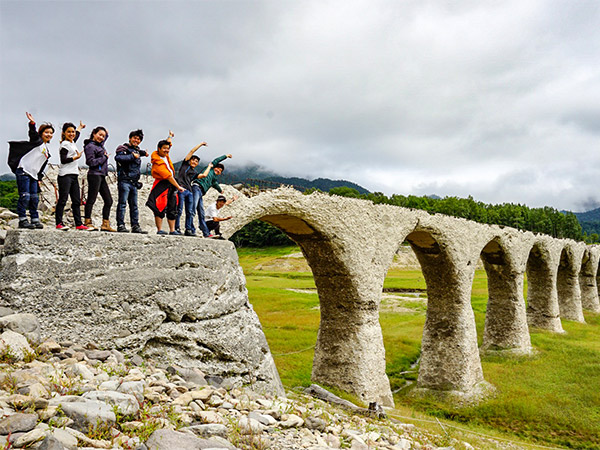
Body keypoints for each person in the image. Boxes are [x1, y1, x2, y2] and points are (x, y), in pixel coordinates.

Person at [7, 112, 53, 229]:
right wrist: (32, 123)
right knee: (25, 196)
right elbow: (32, 133)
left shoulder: (46, 150)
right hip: (23, 171)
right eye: (46, 132)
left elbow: (41, 166)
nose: (49, 135)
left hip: (33, 175)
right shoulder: (36, 142)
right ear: (41, 133)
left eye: (51, 133)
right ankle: (22, 220)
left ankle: (34, 219)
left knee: (34, 198)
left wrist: (39, 178)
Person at [145, 131, 185, 235]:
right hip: (162, 184)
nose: (167, 150)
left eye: (168, 149)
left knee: (172, 206)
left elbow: (168, 143)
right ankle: (159, 229)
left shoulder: (165, 156)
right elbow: (168, 176)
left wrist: (170, 136)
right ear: (159, 149)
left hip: (170, 184)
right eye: (164, 148)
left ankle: (172, 230)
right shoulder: (157, 162)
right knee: (159, 206)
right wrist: (178, 187)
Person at [55, 121, 88, 230]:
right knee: (63, 199)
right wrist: (75, 158)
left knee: (76, 201)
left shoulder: (72, 143)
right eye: (69, 132)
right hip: (65, 175)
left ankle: (79, 224)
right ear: (64, 133)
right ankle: (59, 223)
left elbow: (76, 135)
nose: (72, 134)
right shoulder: (64, 144)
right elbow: (63, 160)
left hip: (74, 175)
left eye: (72, 132)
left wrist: (79, 127)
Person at [114, 129, 148, 233]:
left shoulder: (137, 150)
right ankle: (120, 225)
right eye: (135, 138)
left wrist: (144, 153)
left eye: (138, 139)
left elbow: (138, 153)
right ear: (130, 138)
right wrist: (132, 156)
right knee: (122, 203)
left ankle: (135, 226)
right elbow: (118, 158)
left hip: (134, 182)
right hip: (124, 180)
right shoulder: (123, 148)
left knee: (134, 206)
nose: (136, 140)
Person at [191, 153, 232, 237]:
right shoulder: (209, 169)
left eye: (220, 171)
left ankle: (206, 233)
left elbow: (215, 184)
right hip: (197, 187)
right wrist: (226, 156)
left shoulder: (214, 178)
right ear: (214, 167)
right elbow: (216, 160)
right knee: (193, 209)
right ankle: (190, 229)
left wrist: (220, 190)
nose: (219, 171)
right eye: (218, 169)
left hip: (201, 192)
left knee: (201, 213)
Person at [83, 126, 115, 232]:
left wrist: (107, 134)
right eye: (100, 135)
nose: (101, 137)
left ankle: (105, 224)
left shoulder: (99, 145)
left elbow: (102, 141)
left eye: (103, 136)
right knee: (91, 199)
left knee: (108, 200)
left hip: (101, 175)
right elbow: (90, 162)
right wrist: (104, 158)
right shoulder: (90, 146)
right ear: (94, 134)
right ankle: (87, 222)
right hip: (94, 175)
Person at [175, 141, 208, 236]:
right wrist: (201, 144)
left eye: (196, 161)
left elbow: (204, 175)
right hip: (181, 189)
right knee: (179, 210)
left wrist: (209, 166)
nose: (194, 162)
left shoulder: (194, 172)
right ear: (190, 160)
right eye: (193, 160)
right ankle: (177, 228)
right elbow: (192, 151)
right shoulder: (185, 165)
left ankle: (188, 229)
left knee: (189, 212)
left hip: (189, 192)